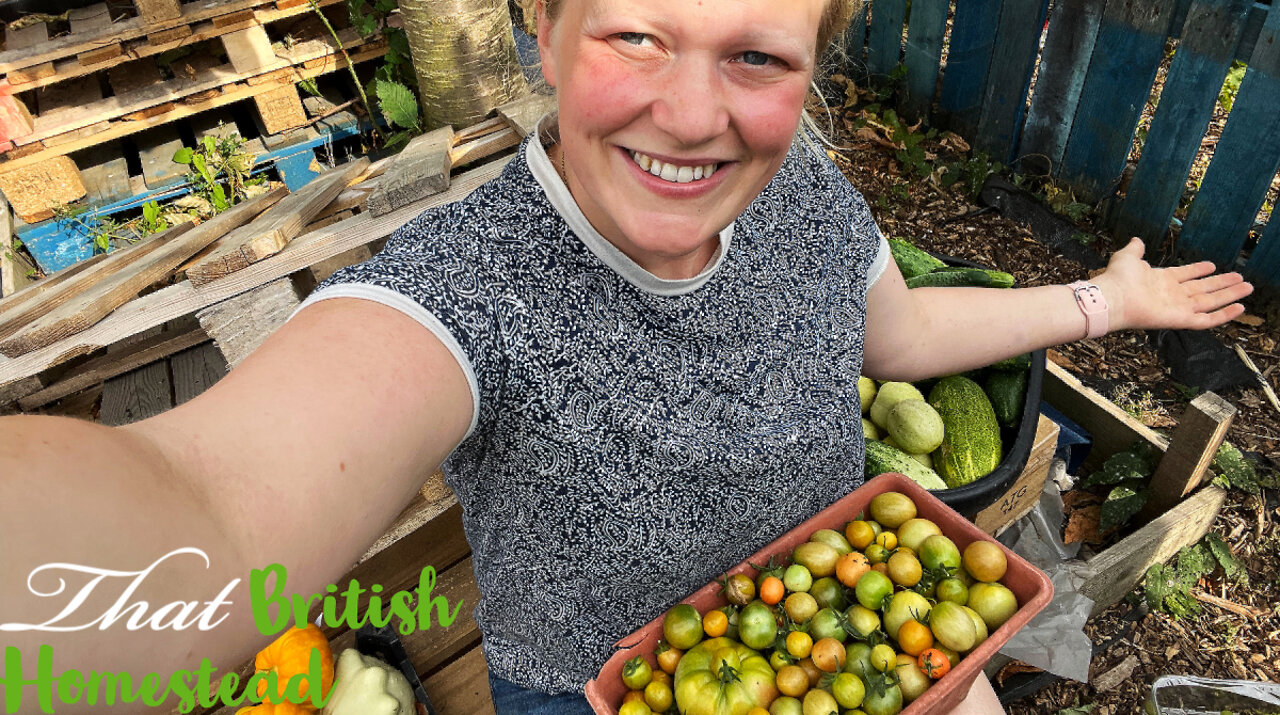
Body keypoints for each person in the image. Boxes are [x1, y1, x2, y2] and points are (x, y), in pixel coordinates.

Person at [0, 0, 1252, 713]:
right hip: (607, 685)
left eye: (755, 56)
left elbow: (900, 333)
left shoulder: (806, 194)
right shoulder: (464, 285)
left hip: (841, 606)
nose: (694, 115)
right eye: (635, 37)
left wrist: (1102, 299)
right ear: (542, 32)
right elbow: (208, 509)